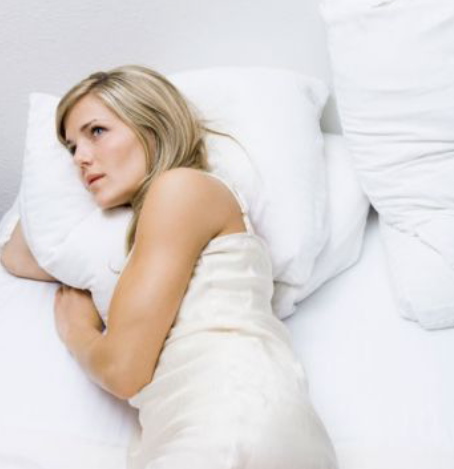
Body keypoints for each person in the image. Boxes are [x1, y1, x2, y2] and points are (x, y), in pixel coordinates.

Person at [0, 65, 338, 469]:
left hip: (232, 421)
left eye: (97, 132)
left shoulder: (182, 188)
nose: (81, 159)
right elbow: (17, 255)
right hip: (233, 422)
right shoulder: (155, 222)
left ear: (153, 125)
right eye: (71, 148)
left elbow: (124, 370)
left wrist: (77, 332)